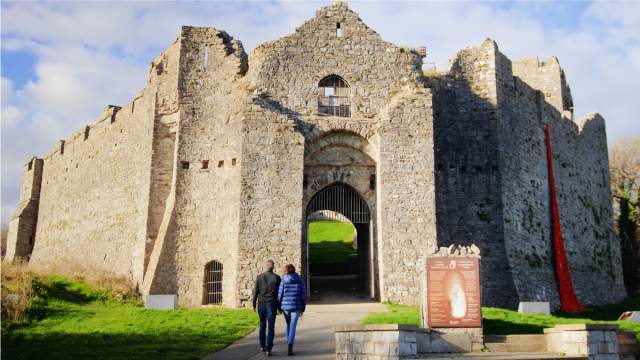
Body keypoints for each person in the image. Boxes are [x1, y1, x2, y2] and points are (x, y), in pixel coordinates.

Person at [252, 260, 281, 356]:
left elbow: (255, 291)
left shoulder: (259, 277)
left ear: (266, 266)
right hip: (272, 304)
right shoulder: (277, 278)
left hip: (261, 304)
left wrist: (253, 304)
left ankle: (262, 346)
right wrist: (279, 307)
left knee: (262, 325)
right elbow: (278, 294)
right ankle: (269, 349)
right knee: (271, 327)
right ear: (273, 267)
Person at [278, 264, 307, 356]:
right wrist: (303, 307)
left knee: (288, 325)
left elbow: (280, 294)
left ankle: (288, 343)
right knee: (293, 327)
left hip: (285, 306)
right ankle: (290, 346)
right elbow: (303, 294)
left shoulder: (283, 280)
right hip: (296, 306)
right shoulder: (299, 280)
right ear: (294, 270)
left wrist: (279, 306)